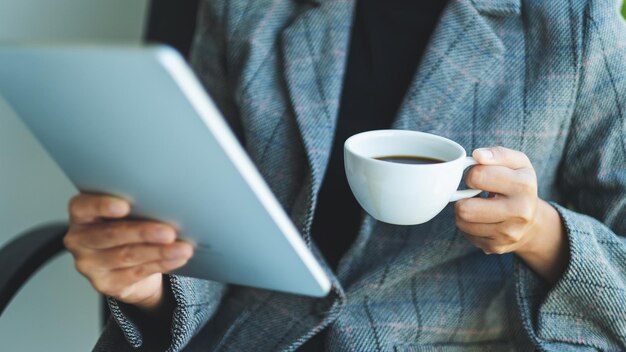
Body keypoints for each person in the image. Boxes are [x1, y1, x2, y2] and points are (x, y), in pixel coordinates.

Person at [63, 0, 626, 350]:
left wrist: (540, 234)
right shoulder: (245, 11)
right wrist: (151, 286)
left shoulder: (574, 21)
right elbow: (210, 224)